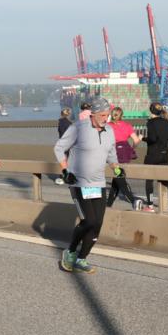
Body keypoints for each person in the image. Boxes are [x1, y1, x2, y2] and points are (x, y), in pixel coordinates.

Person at [53, 96, 121, 274]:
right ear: (94, 114)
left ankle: (82, 259)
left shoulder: (109, 131)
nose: (106, 118)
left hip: (98, 184)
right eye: (104, 115)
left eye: (108, 115)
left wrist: (116, 168)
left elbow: (111, 154)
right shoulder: (78, 128)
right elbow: (59, 148)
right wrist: (65, 170)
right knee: (88, 220)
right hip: (79, 183)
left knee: (97, 224)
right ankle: (70, 251)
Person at [106, 106, 151, 211]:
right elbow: (135, 140)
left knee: (118, 175)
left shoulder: (107, 126)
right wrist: (133, 147)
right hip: (125, 151)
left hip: (113, 152)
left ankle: (132, 200)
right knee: (117, 176)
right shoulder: (127, 126)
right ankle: (109, 204)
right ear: (122, 115)